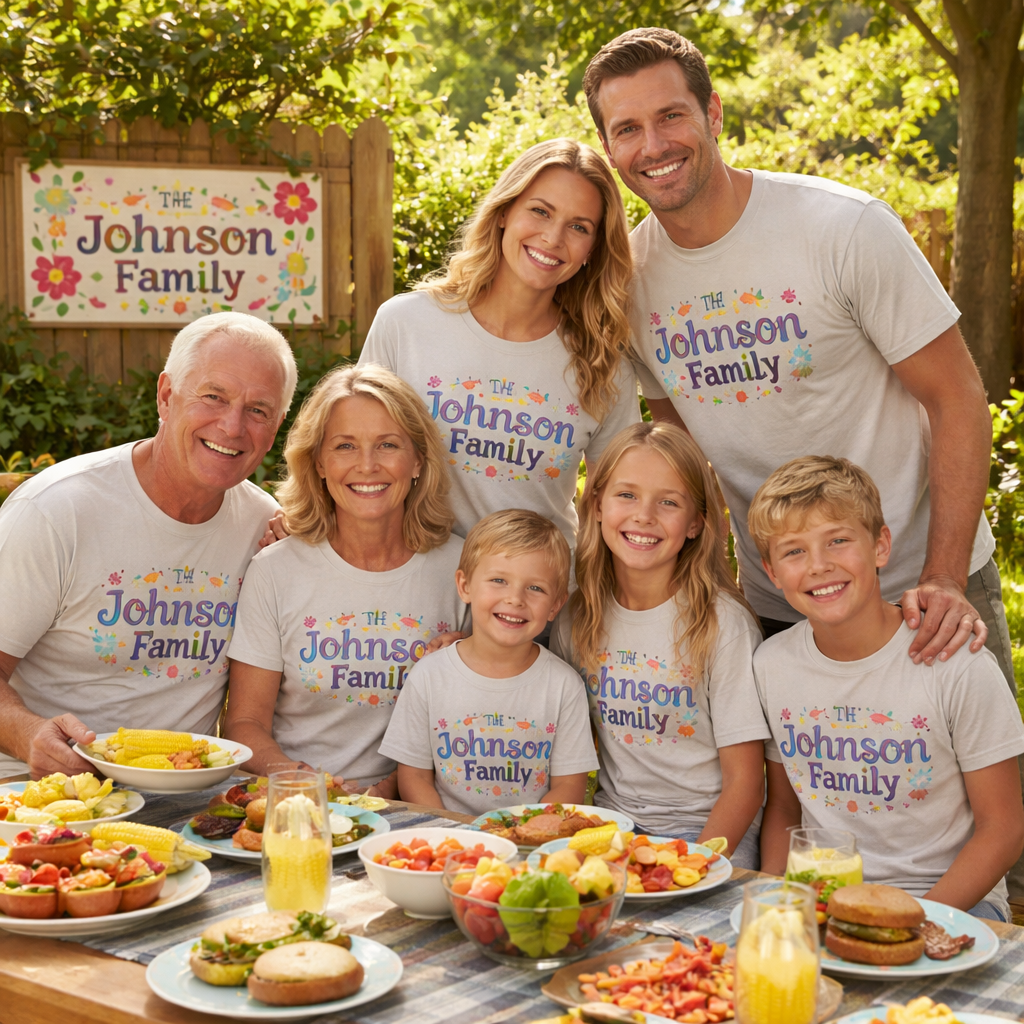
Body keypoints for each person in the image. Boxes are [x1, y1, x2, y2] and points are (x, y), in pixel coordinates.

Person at [581, 28, 1010, 686]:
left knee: (972, 788)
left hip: (921, 590)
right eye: (628, 128)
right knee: (805, 793)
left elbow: (956, 398)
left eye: (671, 116)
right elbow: (684, 454)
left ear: (713, 113)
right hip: (782, 605)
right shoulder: (631, 280)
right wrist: (716, 589)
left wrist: (945, 577)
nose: (654, 145)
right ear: (609, 148)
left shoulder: (843, 228)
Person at [0, 312, 295, 779]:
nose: (233, 426)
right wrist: (28, 733)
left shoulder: (266, 530)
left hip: (185, 796)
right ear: (166, 395)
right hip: (38, 788)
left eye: (258, 409)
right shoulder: (57, 511)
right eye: (213, 396)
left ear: (275, 427)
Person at [751, 456, 1024, 921]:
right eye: (794, 551)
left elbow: (1004, 829)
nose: (819, 565)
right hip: (824, 897)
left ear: (880, 546)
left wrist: (903, 922)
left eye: (837, 540)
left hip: (952, 899)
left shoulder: (955, 662)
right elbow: (783, 809)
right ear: (772, 573)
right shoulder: (771, 665)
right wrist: (776, 902)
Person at [357, 138, 641, 554]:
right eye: (540, 211)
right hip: (421, 594)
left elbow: (615, 501)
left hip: (542, 602)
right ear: (505, 210)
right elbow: (350, 453)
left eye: (579, 226)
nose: (552, 237)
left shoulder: (602, 363)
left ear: (592, 249)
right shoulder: (407, 323)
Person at [224, 365, 468, 797]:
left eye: (388, 445)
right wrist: (304, 784)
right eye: (345, 446)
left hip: (424, 809)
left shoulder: (461, 571)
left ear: (417, 460)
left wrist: (394, 788)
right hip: (299, 805)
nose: (367, 465)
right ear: (318, 462)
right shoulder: (275, 571)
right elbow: (245, 724)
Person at [551, 422, 769, 867]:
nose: (644, 516)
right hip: (614, 825)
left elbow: (746, 784)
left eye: (668, 502)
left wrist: (692, 866)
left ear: (695, 524)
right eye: (626, 495)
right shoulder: (578, 616)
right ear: (595, 504)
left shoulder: (722, 624)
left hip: (710, 829)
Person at [379, 509, 598, 814]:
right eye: (499, 580)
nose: (515, 599)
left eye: (535, 588)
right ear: (465, 586)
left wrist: (520, 836)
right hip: (447, 840)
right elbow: (414, 778)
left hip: (527, 846)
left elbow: (568, 787)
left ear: (556, 605)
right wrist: (456, 834)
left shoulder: (564, 686)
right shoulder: (428, 677)